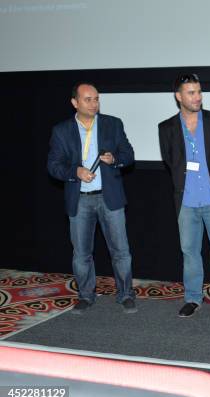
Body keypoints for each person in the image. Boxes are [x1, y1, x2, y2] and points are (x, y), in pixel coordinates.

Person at [47, 82, 137, 314]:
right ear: (75, 103)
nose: (94, 103)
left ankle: (126, 294)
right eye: (88, 99)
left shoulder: (112, 124)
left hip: (110, 198)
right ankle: (86, 296)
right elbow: (53, 166)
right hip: (80, 200)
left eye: (96, 99)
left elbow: (129, 155)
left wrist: (114, 158)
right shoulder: (61, 130)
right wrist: (74, 171)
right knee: (82, 254)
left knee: (121, 251)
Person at [158, 73, 210, 319]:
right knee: (190, 253)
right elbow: (170, 162)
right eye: (191, 93)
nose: (197, 97)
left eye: (199, 92)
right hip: (186, 202)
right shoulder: (167, 128)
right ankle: (193, 298)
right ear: (178, 96)